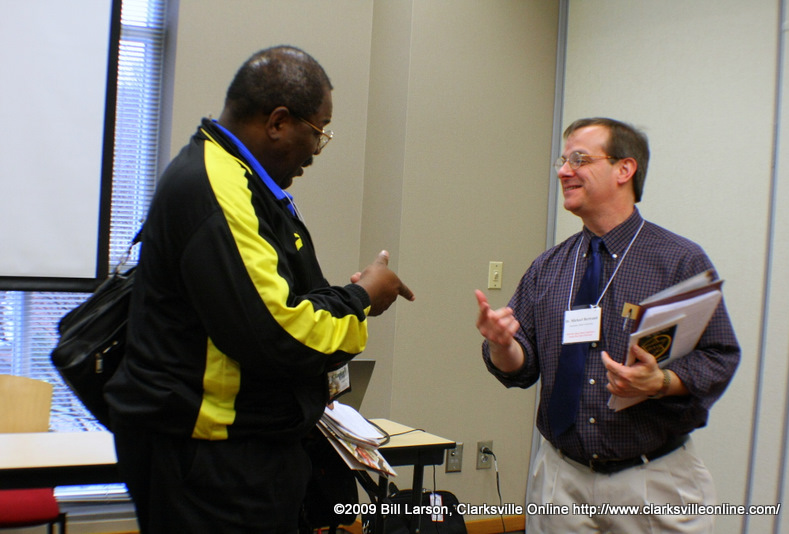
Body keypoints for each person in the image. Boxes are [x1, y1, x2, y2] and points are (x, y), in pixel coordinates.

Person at [105, 45, 414, 534]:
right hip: (210, 460)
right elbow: (278, 332)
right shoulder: (216, 188)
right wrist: (361, 300)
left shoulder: (244, 181)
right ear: (278, 122)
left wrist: (343, 302)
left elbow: (289, 299)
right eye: (318, 131)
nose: (317, 150)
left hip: (235, 449)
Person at [475, 117, 739, 533]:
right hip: (561, 479)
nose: (564, 171)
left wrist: (661, 382)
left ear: (624, 169)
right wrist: (501, 344)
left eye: (579, 159)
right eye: (563, 161)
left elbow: (719, 356)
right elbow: (521, 367)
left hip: (651, 481)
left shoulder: (678, 261)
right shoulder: (549, 267)